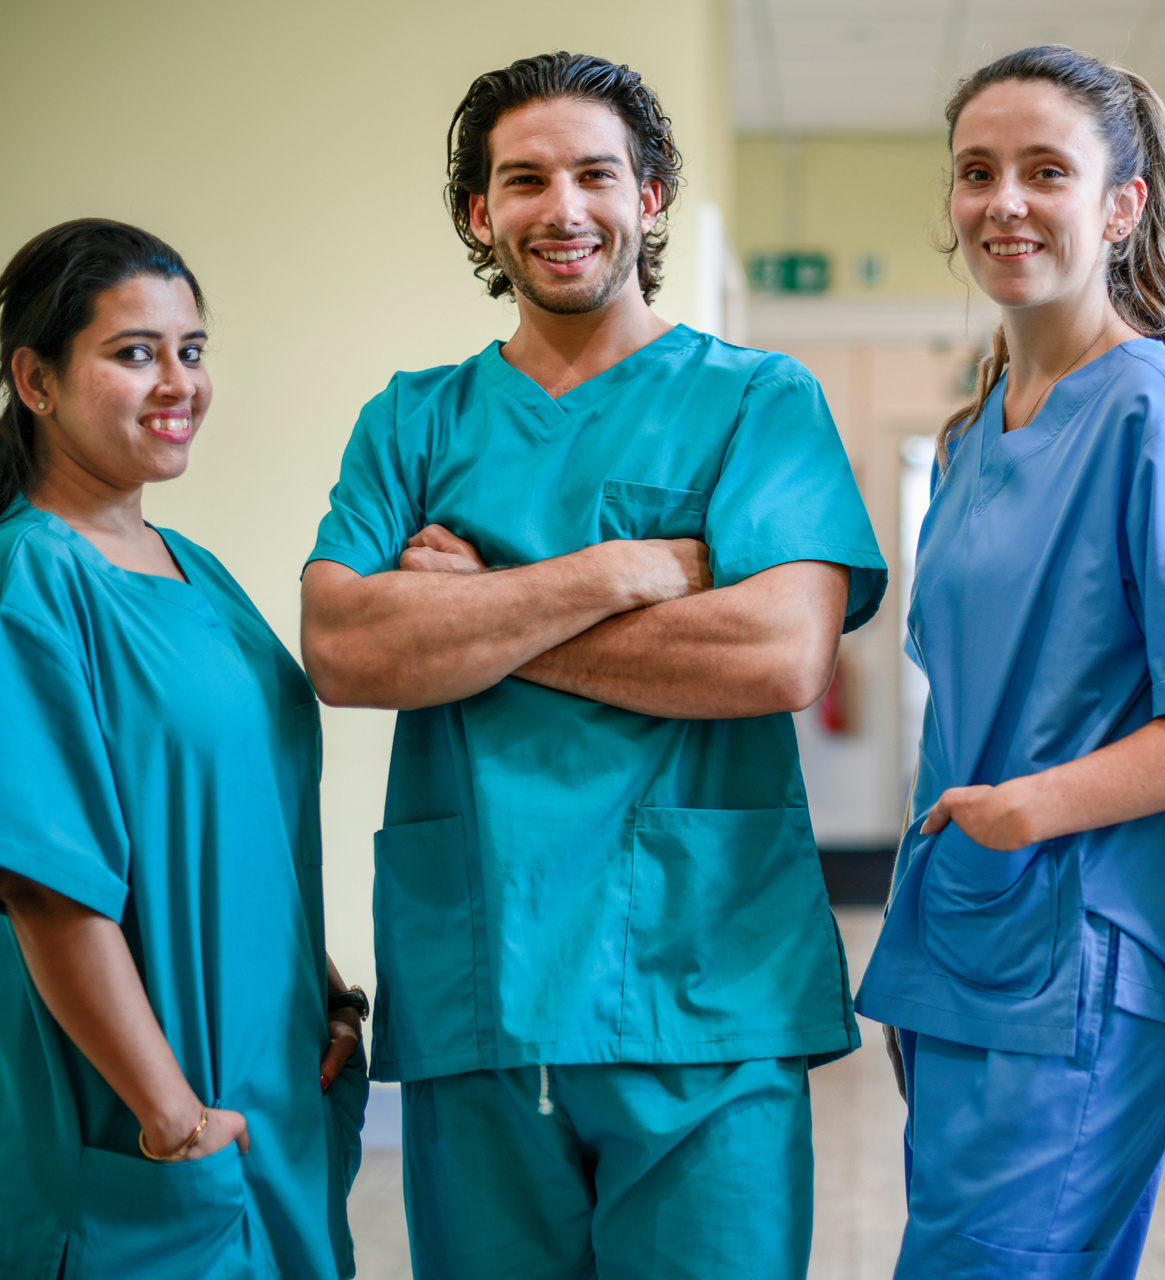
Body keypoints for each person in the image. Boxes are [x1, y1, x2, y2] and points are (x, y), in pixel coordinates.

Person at [298, 52, 886, 1280]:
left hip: (704, 980)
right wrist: (623, 571)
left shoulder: (756, 402)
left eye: (595, 174)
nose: (562, 208)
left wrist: (477, 621)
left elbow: (778, 652)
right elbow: (350, 647)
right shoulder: (412, 419)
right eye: (524, 180)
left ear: (652, 195)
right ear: (480, 214)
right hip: (480, 984)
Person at [854, 45, 1165, 1280]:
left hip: (1085, 942)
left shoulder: (1156, 406)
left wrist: (1024, 810)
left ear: (1121, 204)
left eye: (1047, 170)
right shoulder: (975, 426)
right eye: (977, 171)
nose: (1005, 201)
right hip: (966, 933)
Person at [0, 219, 366, 1279]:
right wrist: (170, 1116)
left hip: (270, 1109)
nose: (178, 382)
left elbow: (231, 821)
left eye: (192, 348)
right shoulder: (33, 573)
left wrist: (324, 988)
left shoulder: (194, 570)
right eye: (135, 353)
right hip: (149, 1129)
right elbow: (46, 886)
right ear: (36, 381)